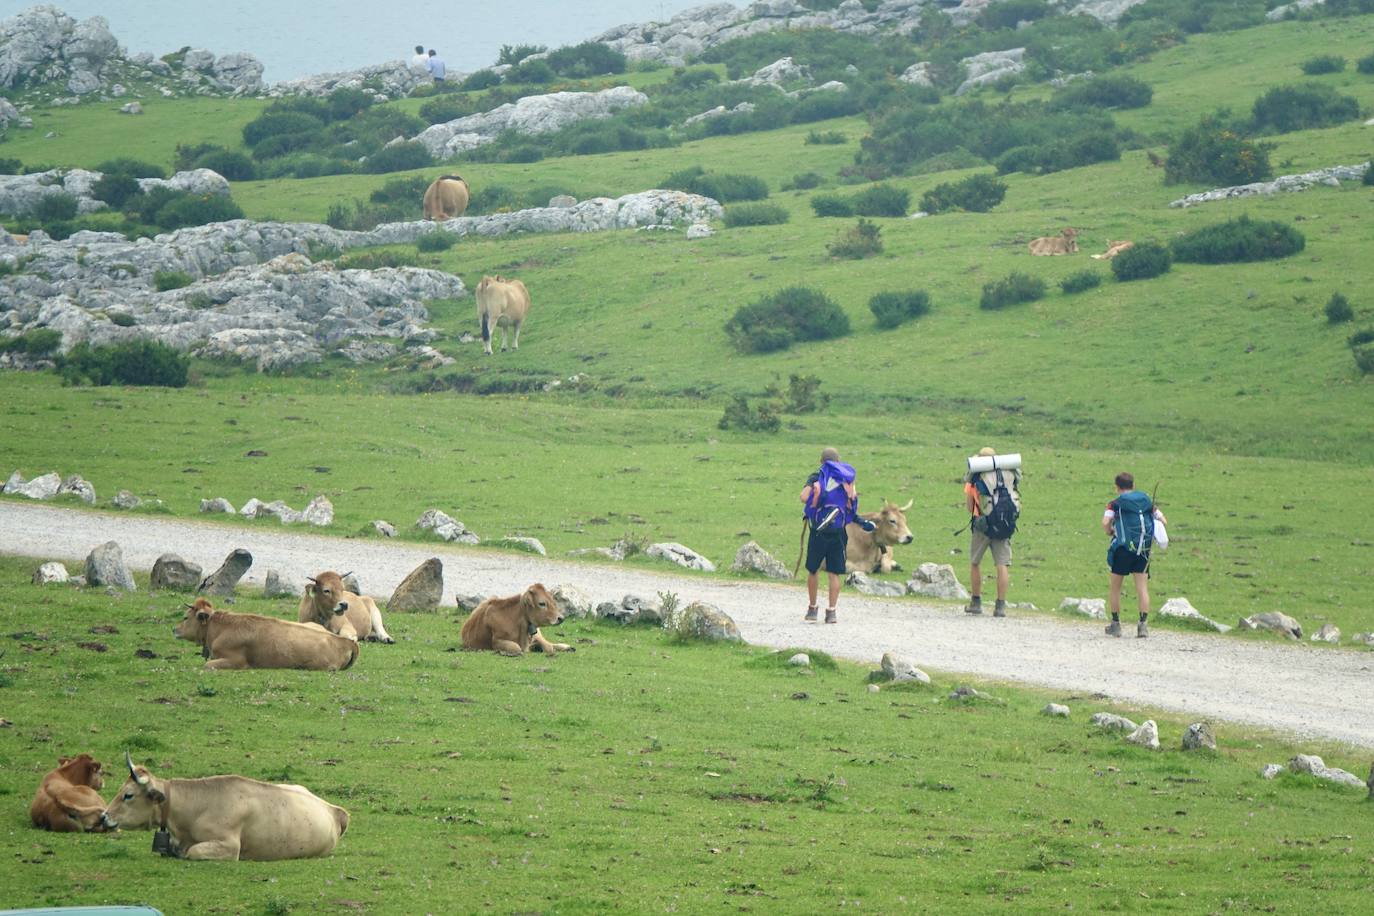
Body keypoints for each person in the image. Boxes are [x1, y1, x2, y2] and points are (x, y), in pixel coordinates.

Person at [799, 447, 873, 625]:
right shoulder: (846, 479)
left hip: (818, 530)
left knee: (813, 569)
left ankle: (812, 609)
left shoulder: (816, 477)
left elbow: (803, 497)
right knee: (834, 573)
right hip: (839, 532)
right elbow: (851, 504)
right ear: (838, 461)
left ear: (821, 461)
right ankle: (831, 612)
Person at [1102, 472, 1167, 638]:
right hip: (1142, 549)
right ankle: (1143, 625)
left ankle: (1116, 625)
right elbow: (1163, 520)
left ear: (1117, 487)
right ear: (1133, 485)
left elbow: (1105, 522)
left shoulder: (1115, 504)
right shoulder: (1146, 500)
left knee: (1115, 588)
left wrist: (1110, 531)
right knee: (1142, 588)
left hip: (1123, 549)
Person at [963, 446, 1019, 617]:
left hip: (983, 525)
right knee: (1002, 564)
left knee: (975, 562)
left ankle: (976, 602)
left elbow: (970, 506)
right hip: (1004, 524)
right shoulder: (1009, 474)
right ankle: (1000, 606)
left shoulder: (977, 476)